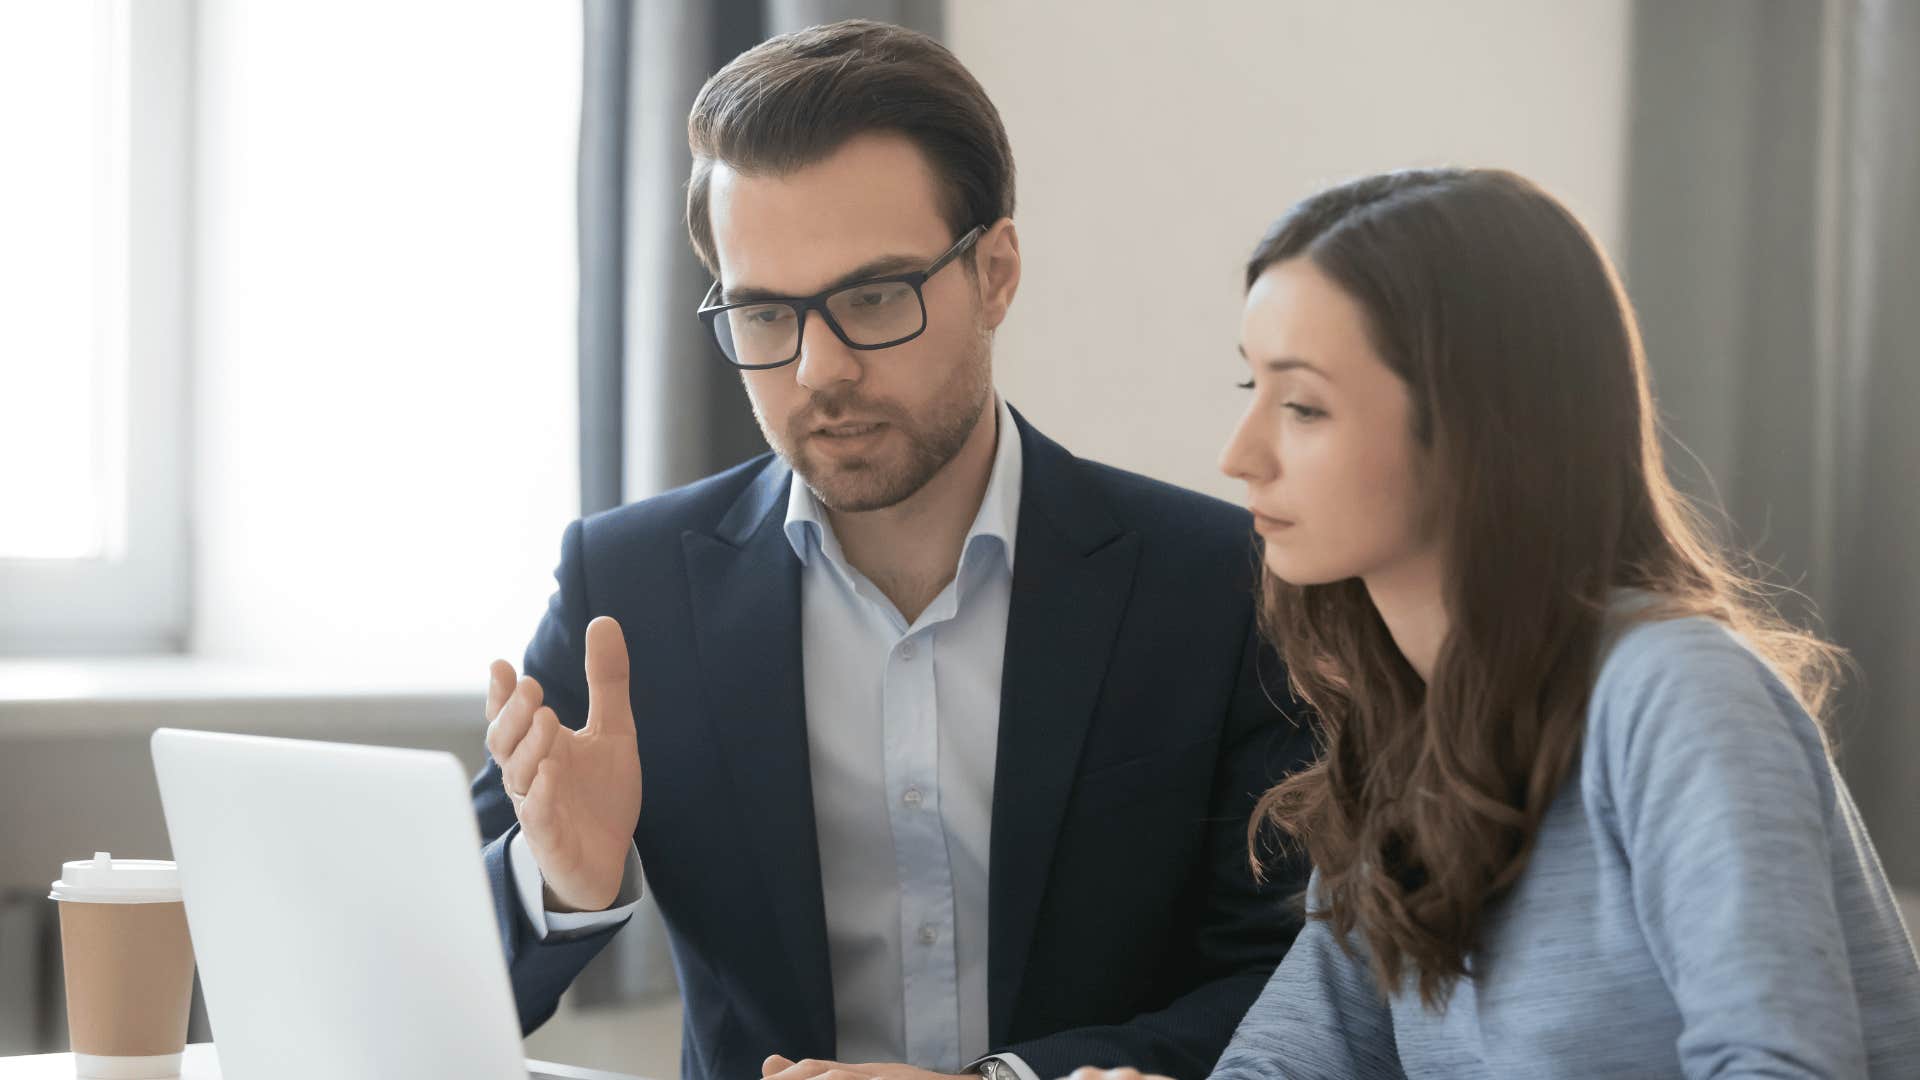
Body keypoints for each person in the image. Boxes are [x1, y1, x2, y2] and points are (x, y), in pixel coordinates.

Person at [469, 20, 1314, 1080]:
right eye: (766, 313)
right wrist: (562, 883)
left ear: (995, 273)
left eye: (872, 299)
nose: (819, 370)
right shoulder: (629, 590)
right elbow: (444, 974)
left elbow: (1291, 983)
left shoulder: (1219, 585)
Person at [1076, 167, 1920, 1079]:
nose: (1238, 454)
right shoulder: (1403, 732)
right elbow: (1300, 1058)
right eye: (1252, 387)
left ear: (1478, 428)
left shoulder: (1677, 694)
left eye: (1304, 405)